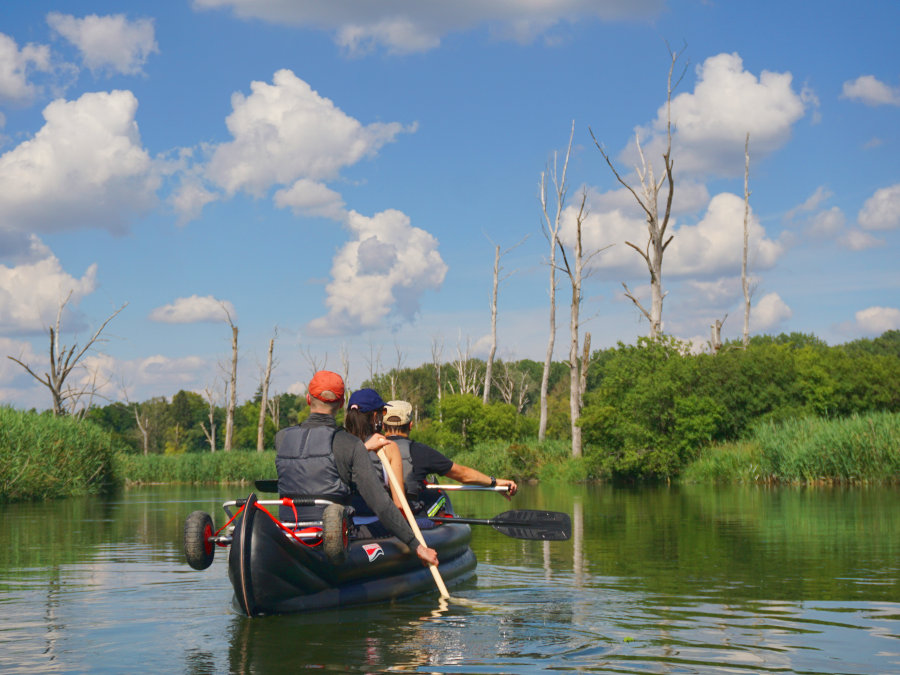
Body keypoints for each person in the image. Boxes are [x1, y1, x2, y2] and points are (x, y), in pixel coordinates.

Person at [274, 371, 437, 567]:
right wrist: (417, 545)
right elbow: (381, 504)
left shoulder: (281, 438)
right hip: (332, 536)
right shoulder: (349, 444)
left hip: (289, 530)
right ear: (342, 403)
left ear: (308, 399)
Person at [382, 399, 518, 516]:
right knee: (439, 495)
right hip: (409, 515)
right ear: (410, 426)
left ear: (383, 425)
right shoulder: (421, 451)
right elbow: (463, 475)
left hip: (379, 515)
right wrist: (494, 482)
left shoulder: (370, 448)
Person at [344, 387, 406, 512]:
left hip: (344, 524)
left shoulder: (338, 443)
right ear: (374, 416)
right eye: (383, 412)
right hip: (375, 523)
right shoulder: (387, 446)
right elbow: (399, 505)